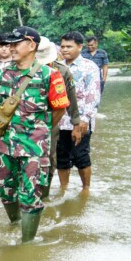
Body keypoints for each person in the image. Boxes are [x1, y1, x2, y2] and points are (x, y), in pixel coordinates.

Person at [0, 26, 69, 243]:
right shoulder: (1, 74)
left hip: (35, 148)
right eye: (9, 44)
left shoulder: (50, 75)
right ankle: (14, 223)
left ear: (31, 45)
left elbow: (60, 109)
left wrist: (39, 131)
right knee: (4, 187)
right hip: (6, 144)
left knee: (30, 194)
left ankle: (26, 244)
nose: (11, 48)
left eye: (16, 44)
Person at [34, 36, 80, 198]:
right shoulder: (22, 70)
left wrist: (76, 124)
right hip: (26, 121)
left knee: (48, 158)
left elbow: (71, 100)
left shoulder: (62, 71)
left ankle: (44, 195)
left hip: (51, 120)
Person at [58, 31, 101, 191]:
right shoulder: (57, 67)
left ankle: (86, 190)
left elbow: (93, 95)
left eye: (69, 46)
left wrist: (84, 120)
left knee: (80, 156)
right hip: (59, 121)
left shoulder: (89, 67)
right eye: (62, 46)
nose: (65, 49)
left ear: (80, 47)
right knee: (61, 157)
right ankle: (63, 189)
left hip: (81, 120)